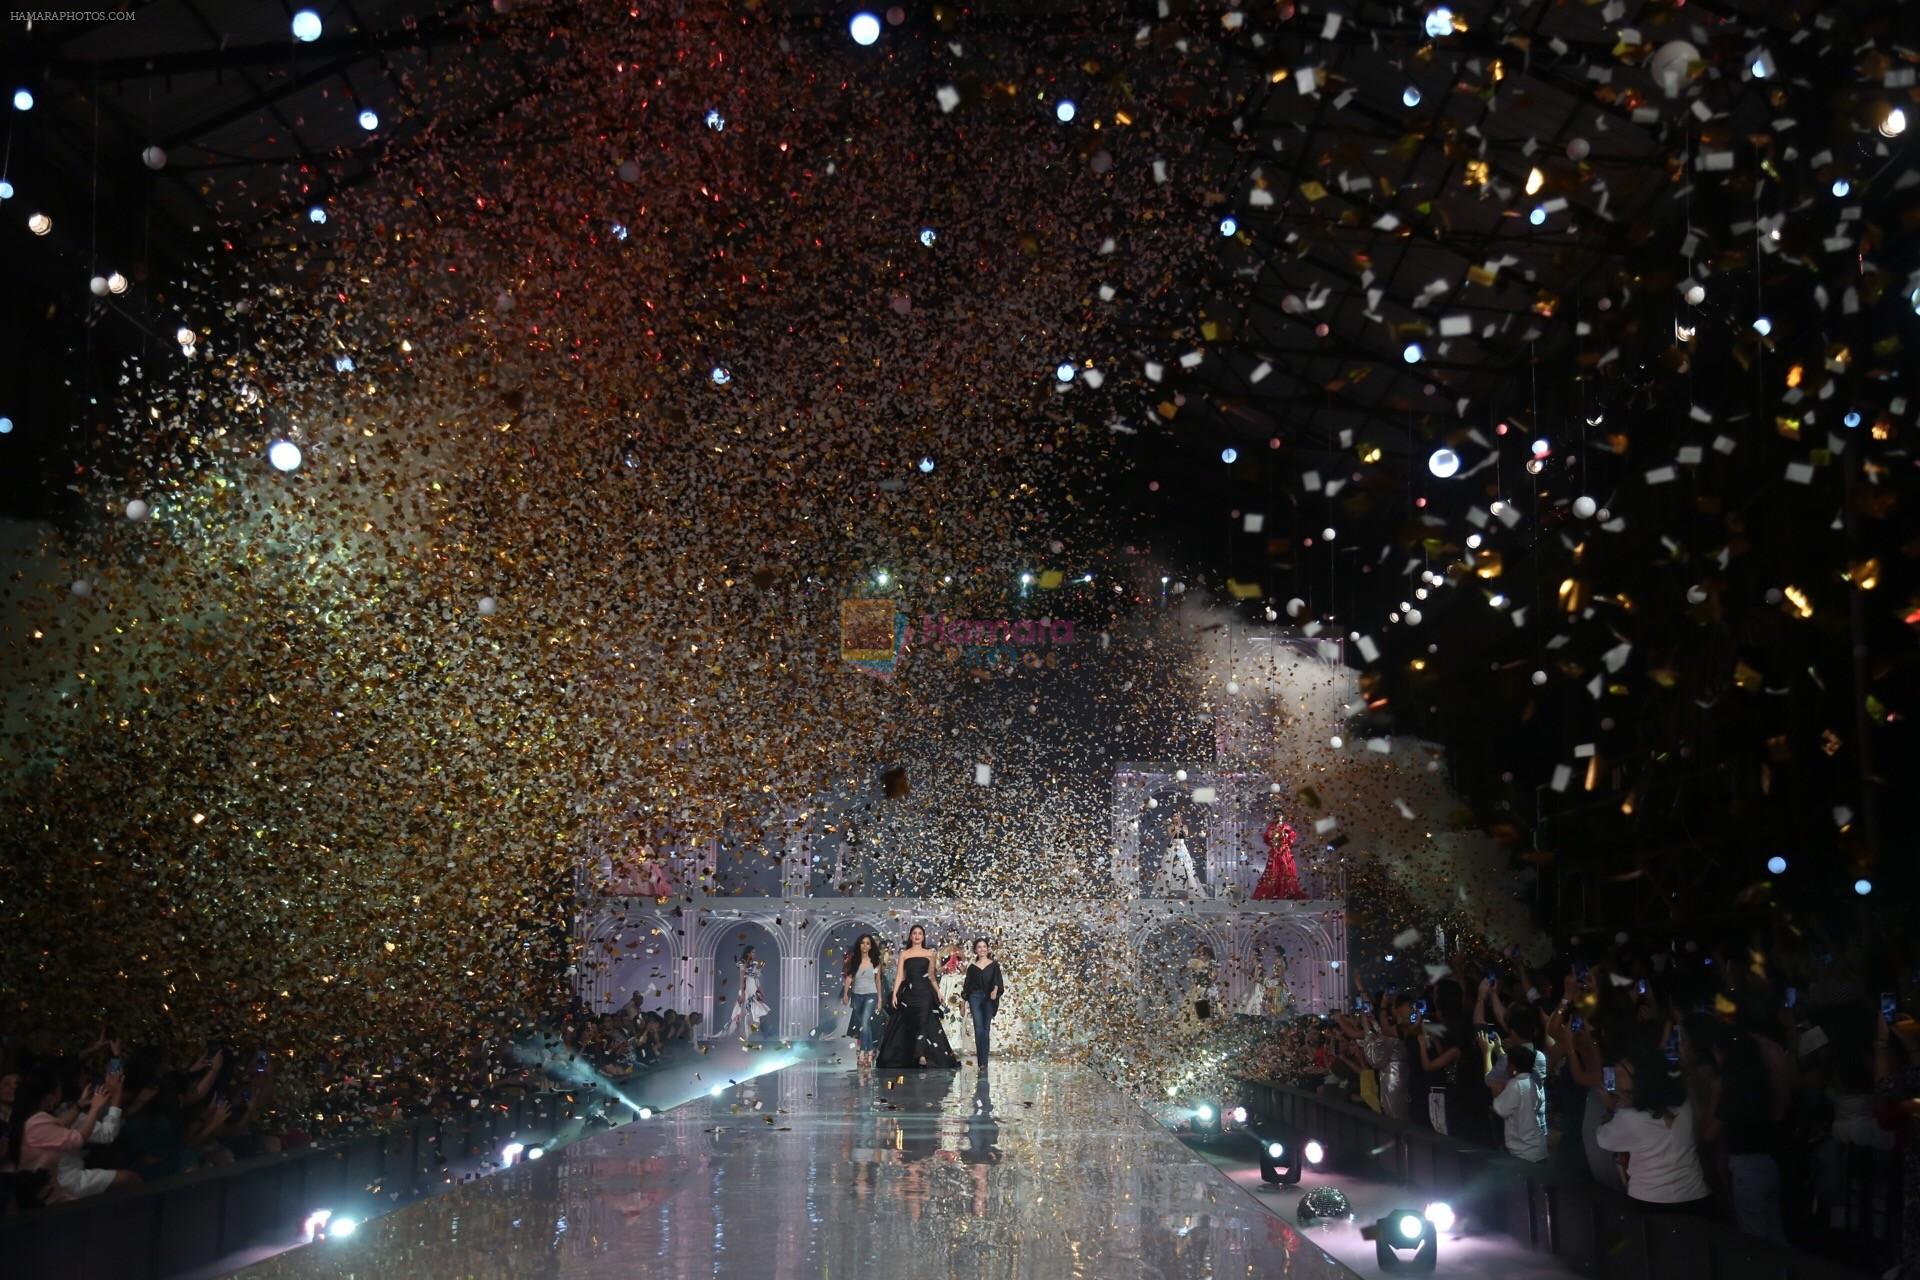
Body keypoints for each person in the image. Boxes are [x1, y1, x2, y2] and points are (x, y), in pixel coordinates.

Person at [1595, 1041, 1712, 1213]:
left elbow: (1603, 1139)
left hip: (1652, 1200)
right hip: (1695, 1196)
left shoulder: (1630, 1117)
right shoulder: (1685, 1100)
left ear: (1640, 1076)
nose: (1613, 1080)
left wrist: (1610, 1109)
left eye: (1618, 1072)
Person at [8, 1062, 140, 1201]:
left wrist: (80, 1105)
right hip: (63, 1182)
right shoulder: (38, 1121)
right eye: (83, 1078)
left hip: (58, 1178)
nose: (88, 1079)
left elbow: (59, 1125)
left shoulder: (35, 1116)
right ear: (51, 1095)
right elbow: (92, 1136)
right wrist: (111, 1097)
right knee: (130, 1178)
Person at [875, 925, 960, 1069]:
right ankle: (912, 1054)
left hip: (925, 992)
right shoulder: (905, 954)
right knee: (910, 1022)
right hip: (909, 992)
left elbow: (931, 976)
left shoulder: (929, 953)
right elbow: (900, 976)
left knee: (922, 1020)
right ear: (910, 936)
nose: (917, 936)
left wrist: (938, 992)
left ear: (923, 936)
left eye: (920, 933)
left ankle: (921, 1055)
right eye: (914, 933)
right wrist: (895, 993)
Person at [842, 934, 884, 1068]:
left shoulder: (876, 961)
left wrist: (879, 999)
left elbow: (878, 981)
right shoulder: (854, 960)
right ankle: (869, 1051)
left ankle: (862, 1053)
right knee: (863, 1025)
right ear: (859, 945)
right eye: (862, 943)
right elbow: (849, 978)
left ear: (871, 946)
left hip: (871, 995)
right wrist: (845, 994)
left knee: (865, 1022)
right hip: (857, 996)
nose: (865, 946)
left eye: (867, 943)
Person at [963, 938, 1004, 1069]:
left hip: (989, 998)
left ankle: (983, 1062)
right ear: (975, 950)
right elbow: (967, 986)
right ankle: (981, 1063)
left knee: (985, 1029)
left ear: (987, 949)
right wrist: (964, 1002)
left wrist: (995, 991)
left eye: (984, 946)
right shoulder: (972, 968)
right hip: (975, 997)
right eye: (979, 947)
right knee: (978, 1028)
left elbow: (998, 982)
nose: (982, 949)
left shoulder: (994, 965)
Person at [1251, 816, 1307, 900]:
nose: (1279, 817)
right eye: (1277, 815)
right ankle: (1273, 893)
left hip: (1284, 852)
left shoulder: (1286, 827)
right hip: (1276, 852)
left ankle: (1288, 893)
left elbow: (1291, 838)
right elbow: (1267, 838)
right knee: (1273, 870)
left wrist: (1285, 836)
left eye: (1280, 815)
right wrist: (1274, 838)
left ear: (1282, 816)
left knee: (1287, 871)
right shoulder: (1272, 827)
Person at [723, 947, 771, 1038]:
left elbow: (756, 979)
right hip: (746, 988)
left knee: (756, 1011)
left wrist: (761, 991)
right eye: (752, 952)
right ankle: (739, 1034)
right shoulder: (743, 963)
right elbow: (742, 978)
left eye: (755, 952)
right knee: (743, 1012)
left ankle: (754, 1032)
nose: (754, 954)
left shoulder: (755, 963)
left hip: (753, 988)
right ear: (747, 953)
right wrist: (743, 993)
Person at [1160, 810, 1204, 898]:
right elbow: (1170, 836)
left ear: (1180, 817)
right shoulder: (1170, 826)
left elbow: (1185, 835)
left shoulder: (1184, 826)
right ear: (1172, 818)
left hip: (1181, 847)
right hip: (1173, 847)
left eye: (1177, 816)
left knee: (1184, 865)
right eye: (1174, 816)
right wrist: (1175, 830)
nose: (1176, 818)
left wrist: (1181, 828)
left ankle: (1185, 887)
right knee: (1169, 866)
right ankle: (1170, 889)